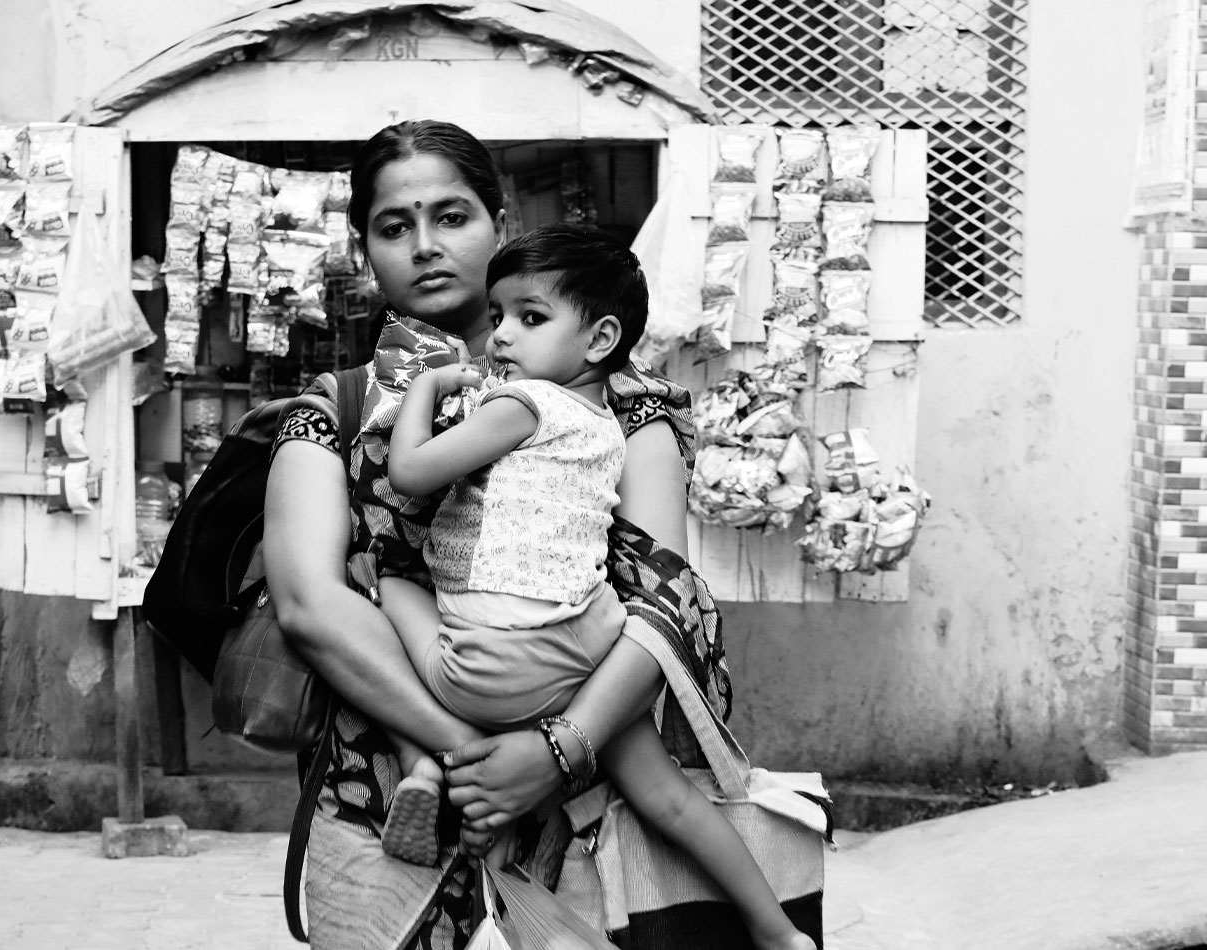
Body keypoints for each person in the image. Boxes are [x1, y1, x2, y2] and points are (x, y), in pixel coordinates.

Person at [262, 119, 773, 949]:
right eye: (395, 227)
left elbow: (658, 603)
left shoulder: (621, 408)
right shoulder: (336, 408)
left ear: (501, 226)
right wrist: (477, 755)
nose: (426, 245)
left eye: (453, 216)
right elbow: (308, 604)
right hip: (382, 815)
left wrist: (558, 753)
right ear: (364, 252)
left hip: (583, 815)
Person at [373, 225, 814, 950]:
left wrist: (423, 388)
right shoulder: (609, 423)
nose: (502, 337)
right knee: (666, 794)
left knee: (388, 585)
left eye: (531, 317)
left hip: (498, 660)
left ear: (602, 337)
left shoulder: (520, 406)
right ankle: (777, 932)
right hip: (593, 641)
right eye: (499, 317)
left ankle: (426, 765)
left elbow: (411, 473)